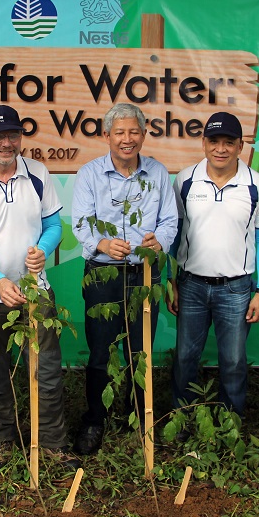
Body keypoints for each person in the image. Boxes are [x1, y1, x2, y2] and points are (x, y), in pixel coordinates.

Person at [0, 105, 77, 471]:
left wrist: (43, 250)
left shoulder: (38, 173)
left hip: (36, 291)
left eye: (12, 136)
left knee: (48, 369)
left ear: (20, 138)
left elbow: (54, 226)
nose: (6, 144)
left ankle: (53, 442)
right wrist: (0, 281)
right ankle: (2, 442)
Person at [70, 103, 178, 456]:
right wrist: (101, 242)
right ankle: (95, 419)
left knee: (140, 351)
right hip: (103, 275)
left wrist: (158, 241)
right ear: (107, 136)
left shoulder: (159, 173)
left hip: (145, 275)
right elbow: (81, 222)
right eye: (120, 132)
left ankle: (141, 417)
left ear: (144, 135)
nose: (127, 139)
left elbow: (170, 221)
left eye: (134, 132)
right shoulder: (89, 174)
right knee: (101, 350)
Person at [169, 112, 259, 426]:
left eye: (228, 142)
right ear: (203, 143)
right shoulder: (185, 180)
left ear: (240, 146)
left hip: (237, 289)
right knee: (186, 358)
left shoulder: (256, 184)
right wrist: (169, 280)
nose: (221, 149)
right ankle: (182, 421)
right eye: (214, 141)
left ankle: (231, 425)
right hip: (190, 285)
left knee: (232, 361)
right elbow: (172, 232)